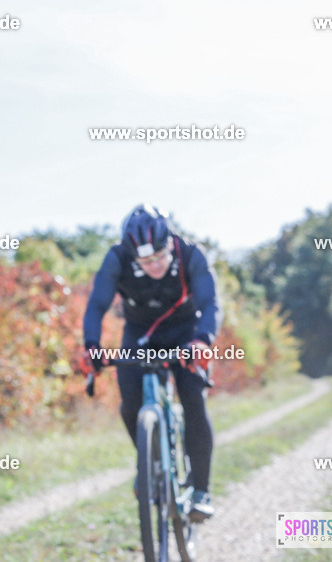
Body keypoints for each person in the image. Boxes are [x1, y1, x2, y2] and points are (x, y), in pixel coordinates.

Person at [79, 204, 221, 521]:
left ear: (169, 243)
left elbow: (210, 302)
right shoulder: (116, 258)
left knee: (194, 401)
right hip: (140, 336)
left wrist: (203, 340)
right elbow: (96, 305)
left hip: (187, 333)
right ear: (133, 256)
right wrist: (91, 346)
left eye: (159, 256)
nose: (154, 264)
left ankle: (201, 491)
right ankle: (149, 460)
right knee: (130, 404)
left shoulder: (191, 253)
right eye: (145, 261)